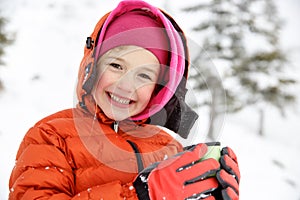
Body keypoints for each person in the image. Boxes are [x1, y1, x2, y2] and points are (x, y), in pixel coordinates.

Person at [9, 0, 240, 199]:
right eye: (117, 66)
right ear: (93, 65)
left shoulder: (169, 148)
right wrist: (139, 195)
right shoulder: (51, 137)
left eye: (144, 75)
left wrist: (208, 193)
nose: (126, 85)